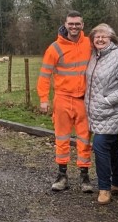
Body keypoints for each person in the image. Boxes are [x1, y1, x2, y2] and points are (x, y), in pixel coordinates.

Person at [39, 11, 93, 193]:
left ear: (83, 25)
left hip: (83, 99)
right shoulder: (55, 48)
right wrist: (43, 99)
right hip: (62, 98)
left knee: (84, 139)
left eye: (77, 24)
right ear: (66, 24)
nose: (74, 27)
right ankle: (62, 176)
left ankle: (85, 177)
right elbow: (45, 74)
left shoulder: (89, 44)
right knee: (61, 138)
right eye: (71, 24)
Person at [85, 23, 118, 205]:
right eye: (96, 37)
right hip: (97, 112)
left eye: (104, 37)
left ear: (112, 39)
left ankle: (104, 188)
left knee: (100, 145)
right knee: (112, 145)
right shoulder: (94, 55)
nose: (99, 39)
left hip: (113, 111)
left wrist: (108, 100)